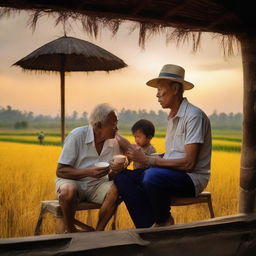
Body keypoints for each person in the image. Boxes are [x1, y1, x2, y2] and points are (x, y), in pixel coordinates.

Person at [115, 64, 212, 228]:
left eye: (160, 89)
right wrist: (141, 157)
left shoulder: (193, 116)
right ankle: (149, 226)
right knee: (122, 177)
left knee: (152, 177)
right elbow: (171, 155)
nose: (157, 94)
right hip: (170, 173)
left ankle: (163, 220)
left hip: (191, 179)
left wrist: (147, 160)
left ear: (175, 89)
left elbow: (189, 163)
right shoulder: (172, 117)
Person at [56, 103, 125, 233]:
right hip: (74, 182)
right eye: (113, 124)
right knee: (67, 191)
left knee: (116, 189)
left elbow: (111, 174)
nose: (117, 128)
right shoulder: (77, 135)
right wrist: (88, 172)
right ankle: (71, 230)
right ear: (98, 125)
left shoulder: (113, 141)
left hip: (98, 185)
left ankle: (98, 232)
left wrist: (118, 168)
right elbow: (60, 171)